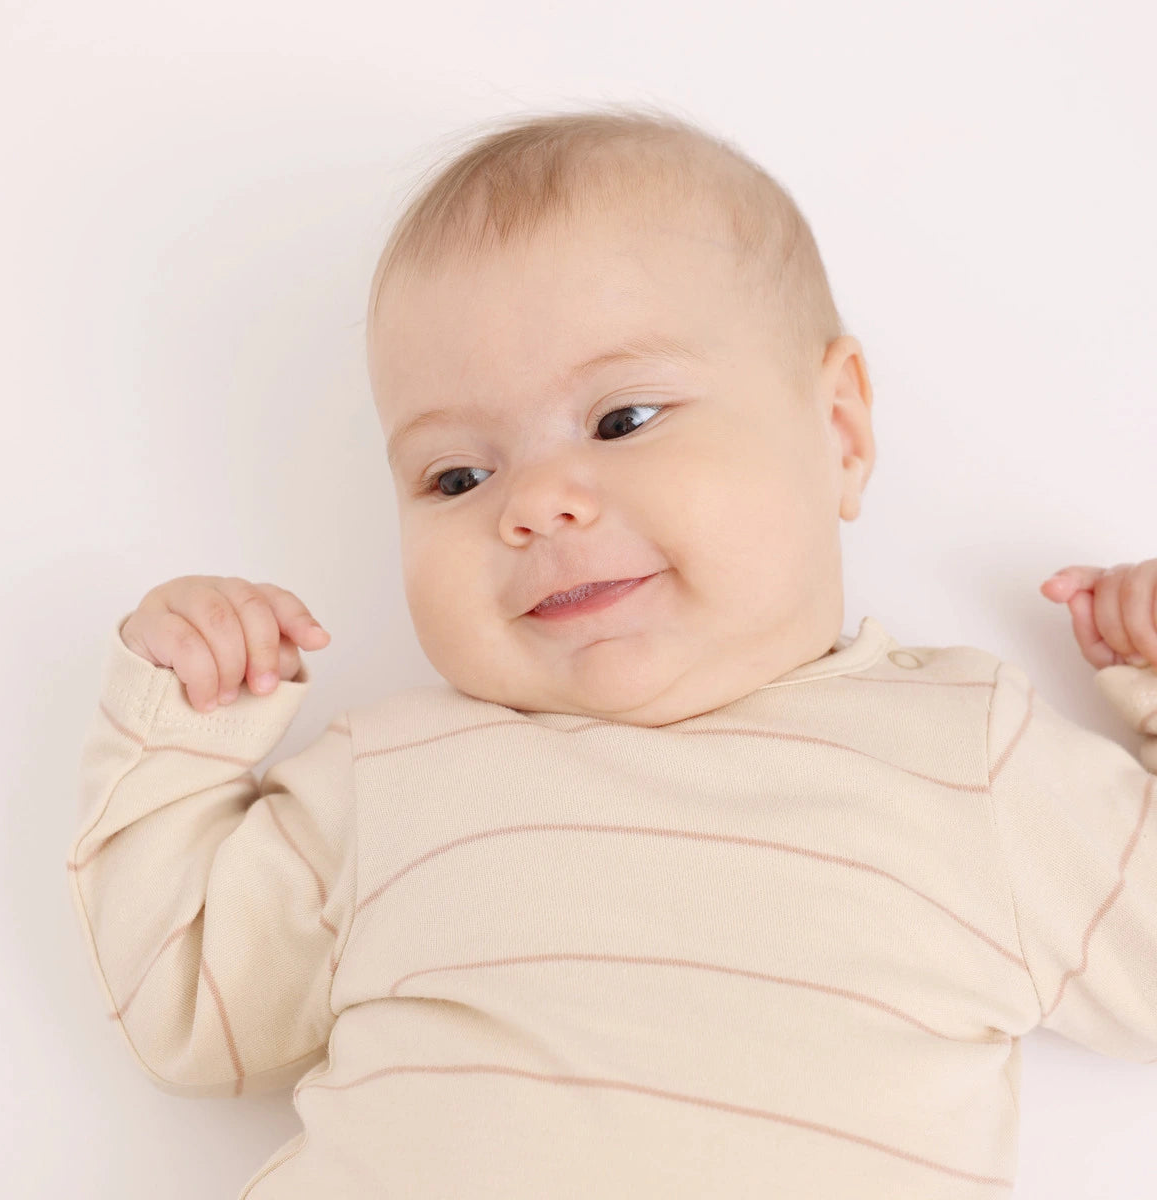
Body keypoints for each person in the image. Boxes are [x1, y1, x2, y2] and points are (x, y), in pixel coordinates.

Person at [66, 104, 1157, 1198]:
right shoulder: (389, 778)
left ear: (839, 433)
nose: (536, 504)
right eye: (457, 477)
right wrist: (192, 713)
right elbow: (192, 1015)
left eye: (623, 418)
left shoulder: (969, 762)